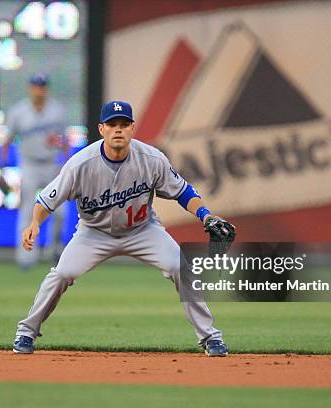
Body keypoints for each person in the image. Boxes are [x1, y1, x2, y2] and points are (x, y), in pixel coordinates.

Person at [12, 100, 233, 357]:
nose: (118, 129)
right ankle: (26, 331)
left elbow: (184, 192)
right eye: (112, 124)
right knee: (61, 274)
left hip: (142, 230)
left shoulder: (151, 159)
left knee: (180, 267)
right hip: (93, 233)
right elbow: (46, 200)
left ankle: (210, 337)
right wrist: (34, 224)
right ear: (101, 129)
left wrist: (205, 216)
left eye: (124, 124)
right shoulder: (80, 164)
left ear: (132, 128)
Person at [0, 73, 68, 269]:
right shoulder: (18, 112)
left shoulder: (57, 111)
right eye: (36, 86)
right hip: (29, 164)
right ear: (30, 88)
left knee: (60, 212)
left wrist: (67, 164)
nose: (39, 90)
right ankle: (26, 257)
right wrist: (1, 169)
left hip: (52, 164)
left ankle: (55, 250)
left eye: (42, 86)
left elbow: (65, 140)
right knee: (28, 211)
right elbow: (7, 140)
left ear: (46, 88)